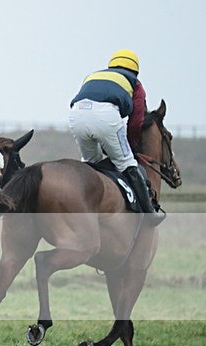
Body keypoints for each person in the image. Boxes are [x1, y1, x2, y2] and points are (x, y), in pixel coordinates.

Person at [69, 49, 164, 225]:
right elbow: (136, 121)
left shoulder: (94, 75)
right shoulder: (136, 84)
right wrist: (131, 144)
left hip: (76, 114)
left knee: (91, 162)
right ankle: (149, 212)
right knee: (127, 162)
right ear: (135, 70)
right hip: (106, 115)